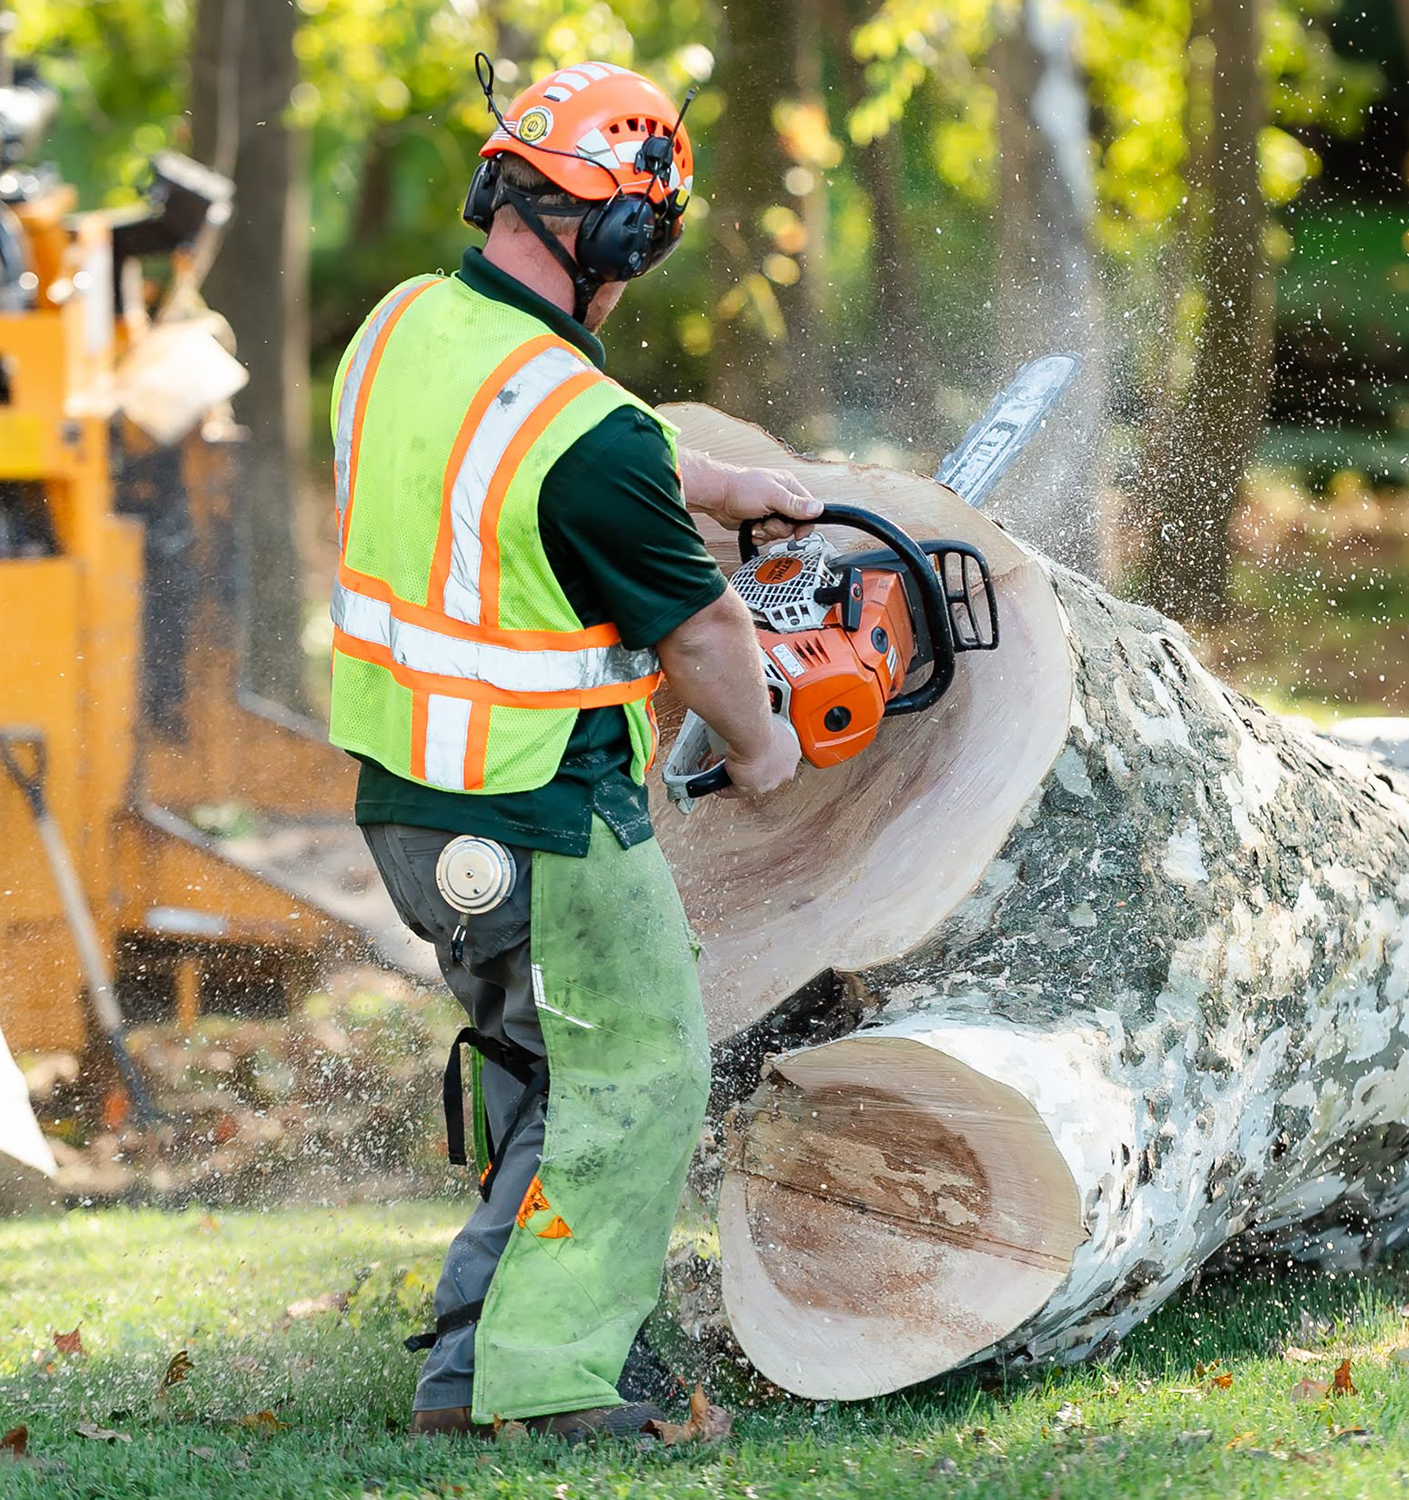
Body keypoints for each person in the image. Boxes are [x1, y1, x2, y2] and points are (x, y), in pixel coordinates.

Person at [326, 57, 813, 1442]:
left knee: (540, 1068)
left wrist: (708, 479)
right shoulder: (583, 432)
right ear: (621, 234)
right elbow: (711, 635)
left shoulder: (402, 328)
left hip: (416, 805)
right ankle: (541, 1384)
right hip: (543, 805)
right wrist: (768, 750)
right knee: (632, 1076)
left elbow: (512, 415)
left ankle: (481, 1344)